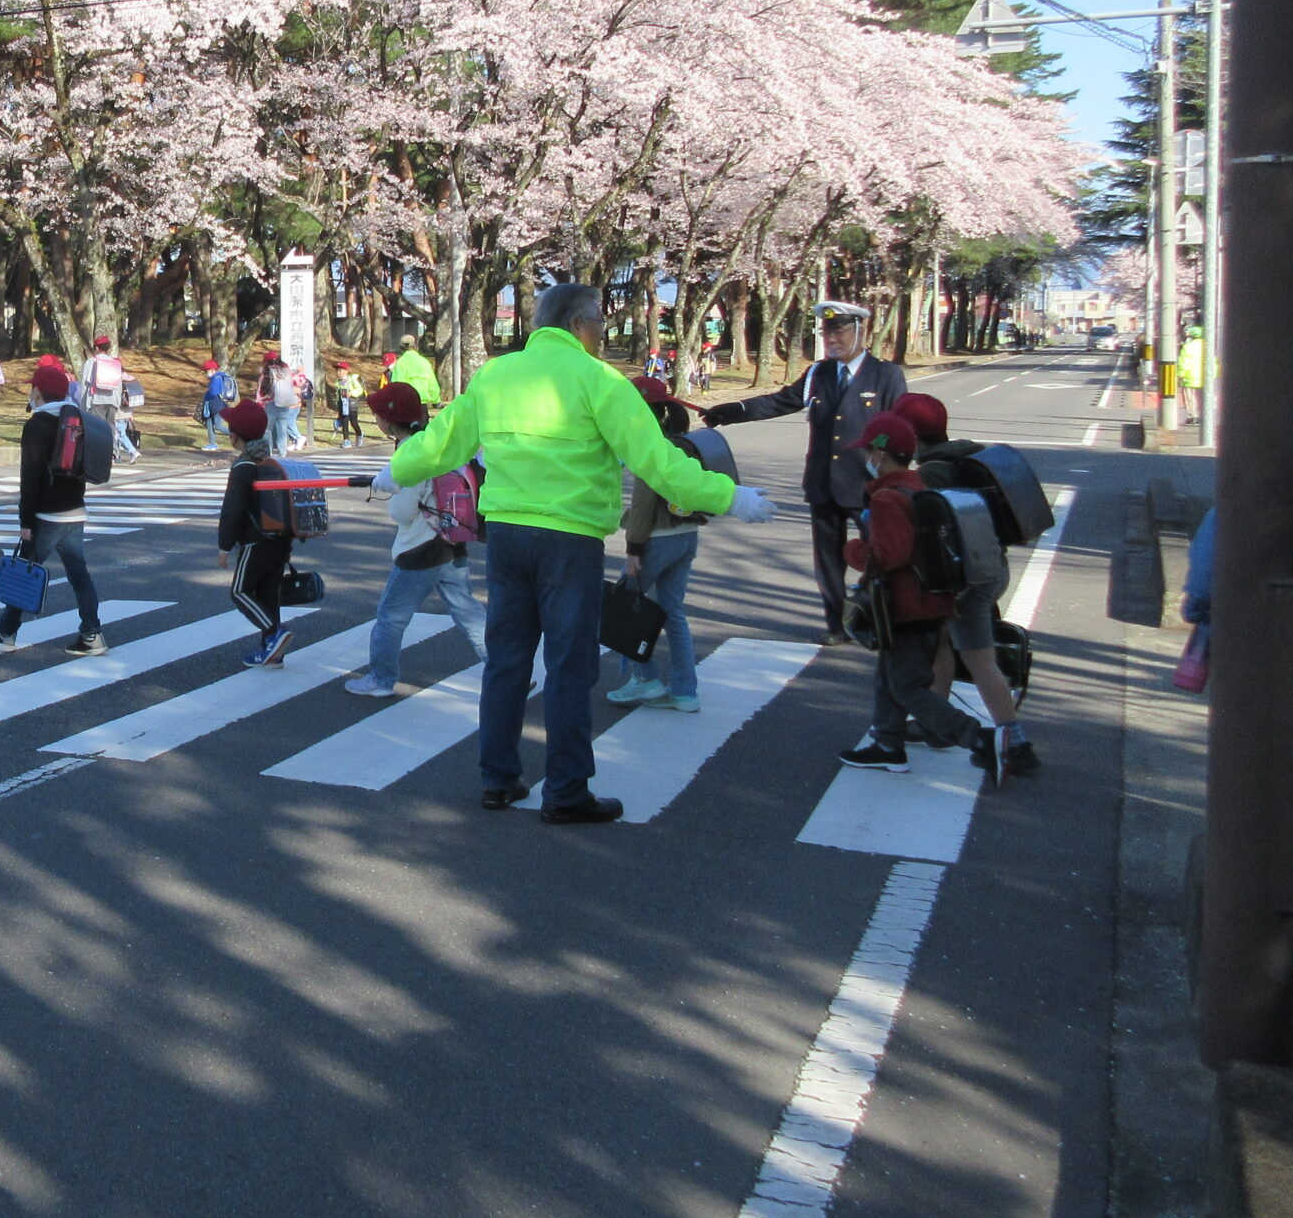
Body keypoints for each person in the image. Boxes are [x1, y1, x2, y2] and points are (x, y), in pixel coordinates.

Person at [381, 283, 774, 824]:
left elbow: (444, 439)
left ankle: (497, 779)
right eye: (598, 325)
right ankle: (565, 790)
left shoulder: (496, 375)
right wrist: (730, 497)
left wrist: (397, 469)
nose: (600, 334)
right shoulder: (600, 380)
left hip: (508, 537)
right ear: (580, 324)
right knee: (569, 665)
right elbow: (657, 462)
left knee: (507, 659)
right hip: (570, 541)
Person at [702, 300, 907, 645]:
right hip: (823, 482)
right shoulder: (819, 373)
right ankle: (835, 624)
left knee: (882, 554)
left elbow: (898, 425)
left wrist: (885, 463)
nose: (831, 338)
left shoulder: (885, 375)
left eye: (839, 330)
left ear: (861, 330)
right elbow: (779, 402)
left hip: (867, 484)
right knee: (827, 559)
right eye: (827, 331)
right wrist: (733, 411)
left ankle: (879, 616)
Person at [1181, 450, 1293, 849]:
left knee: (1257, 730)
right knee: (1282, 724)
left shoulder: (1228, 515)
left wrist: (1195, 610)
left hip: (1245, 639)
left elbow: (1204, 582)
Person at [834, 414, 994, 774]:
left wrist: (853, 551)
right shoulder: (918, 487)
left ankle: (978, 738)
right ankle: (887, 743)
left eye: (869, 452)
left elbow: (889, 555)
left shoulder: (888, 499)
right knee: (888, 676)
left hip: (905, 607)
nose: (866, 460)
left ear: (880, 454)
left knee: (907, 686)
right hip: (930, 602)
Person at [893, 391, 1031, 769]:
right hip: (988, 567)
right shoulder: (969, 457)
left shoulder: (933, 473)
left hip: (966, 580)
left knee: (979, 658)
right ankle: (937, 724)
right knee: (940, 644)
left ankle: (1016, 742)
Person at [346, 381, 485, 696]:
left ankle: (381, 679)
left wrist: (389, 487)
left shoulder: (410, 453)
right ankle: (505, 670)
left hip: (421, 549)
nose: (377, 419)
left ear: (389, 420)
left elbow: (402, 511)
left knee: (390, 617)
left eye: (379, 414)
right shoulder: (438, 443)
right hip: (454, 538)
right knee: (468, 611)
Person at [0, 357, 107, 655]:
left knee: (25, 571)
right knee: (79, 576)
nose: (30, 393)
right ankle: (92, 634)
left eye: (32, 388)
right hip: (75, 510)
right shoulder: (74, 420)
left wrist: (26, 523)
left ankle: (7, 632)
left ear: (38, 393)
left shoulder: (37, 425)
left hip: (47, 514)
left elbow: (30, 477)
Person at [606, 377, 714, 714]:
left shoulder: (651, 445)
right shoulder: (683, 442)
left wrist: (633, 549)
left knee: (624, 608)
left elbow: (642, 504)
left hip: (656, 539)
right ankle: (685, 692)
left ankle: (645, 678)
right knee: (674, 613)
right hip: (686, 536)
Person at [216, 400, 298, 667]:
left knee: (240, 591)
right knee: (267, 593)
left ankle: (274, 634)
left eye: (231, 429)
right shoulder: (268, 462)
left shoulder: (243, 467)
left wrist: (224, 545)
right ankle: (272, 651)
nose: (229, 433)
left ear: (238, 435)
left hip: (254, 541)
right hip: (280, 540)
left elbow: (232, 509)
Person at [388, 333, 443, 410]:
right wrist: (436, 401)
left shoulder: (400, 363)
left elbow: (397, 385)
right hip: (422, 405)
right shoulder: (424, 362)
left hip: (406, 405)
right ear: (415, 346)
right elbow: (432, 383)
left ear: (401, 348)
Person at [77, 334, 125, 412]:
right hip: (112, 402)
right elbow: (119, 386)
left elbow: (85, 385)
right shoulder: (115, 363)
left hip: (96, 402)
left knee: (97, 424)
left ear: (96, 348)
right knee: (110, 425)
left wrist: (83, 406)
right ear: (108, 348)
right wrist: (117, 403)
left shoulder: (91, 362)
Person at [198, 356, 234, 450]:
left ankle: (238, 435)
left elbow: (214, 392)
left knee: (218, 426)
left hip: (217, 405)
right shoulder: (216, 377)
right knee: (209, 423)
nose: (206, 373)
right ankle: (212, 443)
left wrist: (206, 395)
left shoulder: (217, 378)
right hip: (213, 405)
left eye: (207, 371)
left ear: (212, 370)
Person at [332, 361, 365, 445]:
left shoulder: (352, 380)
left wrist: (351, 393)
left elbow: (360, 390)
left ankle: (359, 434)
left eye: (341, 370)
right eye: (337, 370)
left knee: (353, 422)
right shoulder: (338, 381)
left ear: (347, 371)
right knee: (344, 422)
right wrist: (338, 406)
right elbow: (338, 394)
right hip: (343, 405)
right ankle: (346, 440)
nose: (338, 372)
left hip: (351, 404)